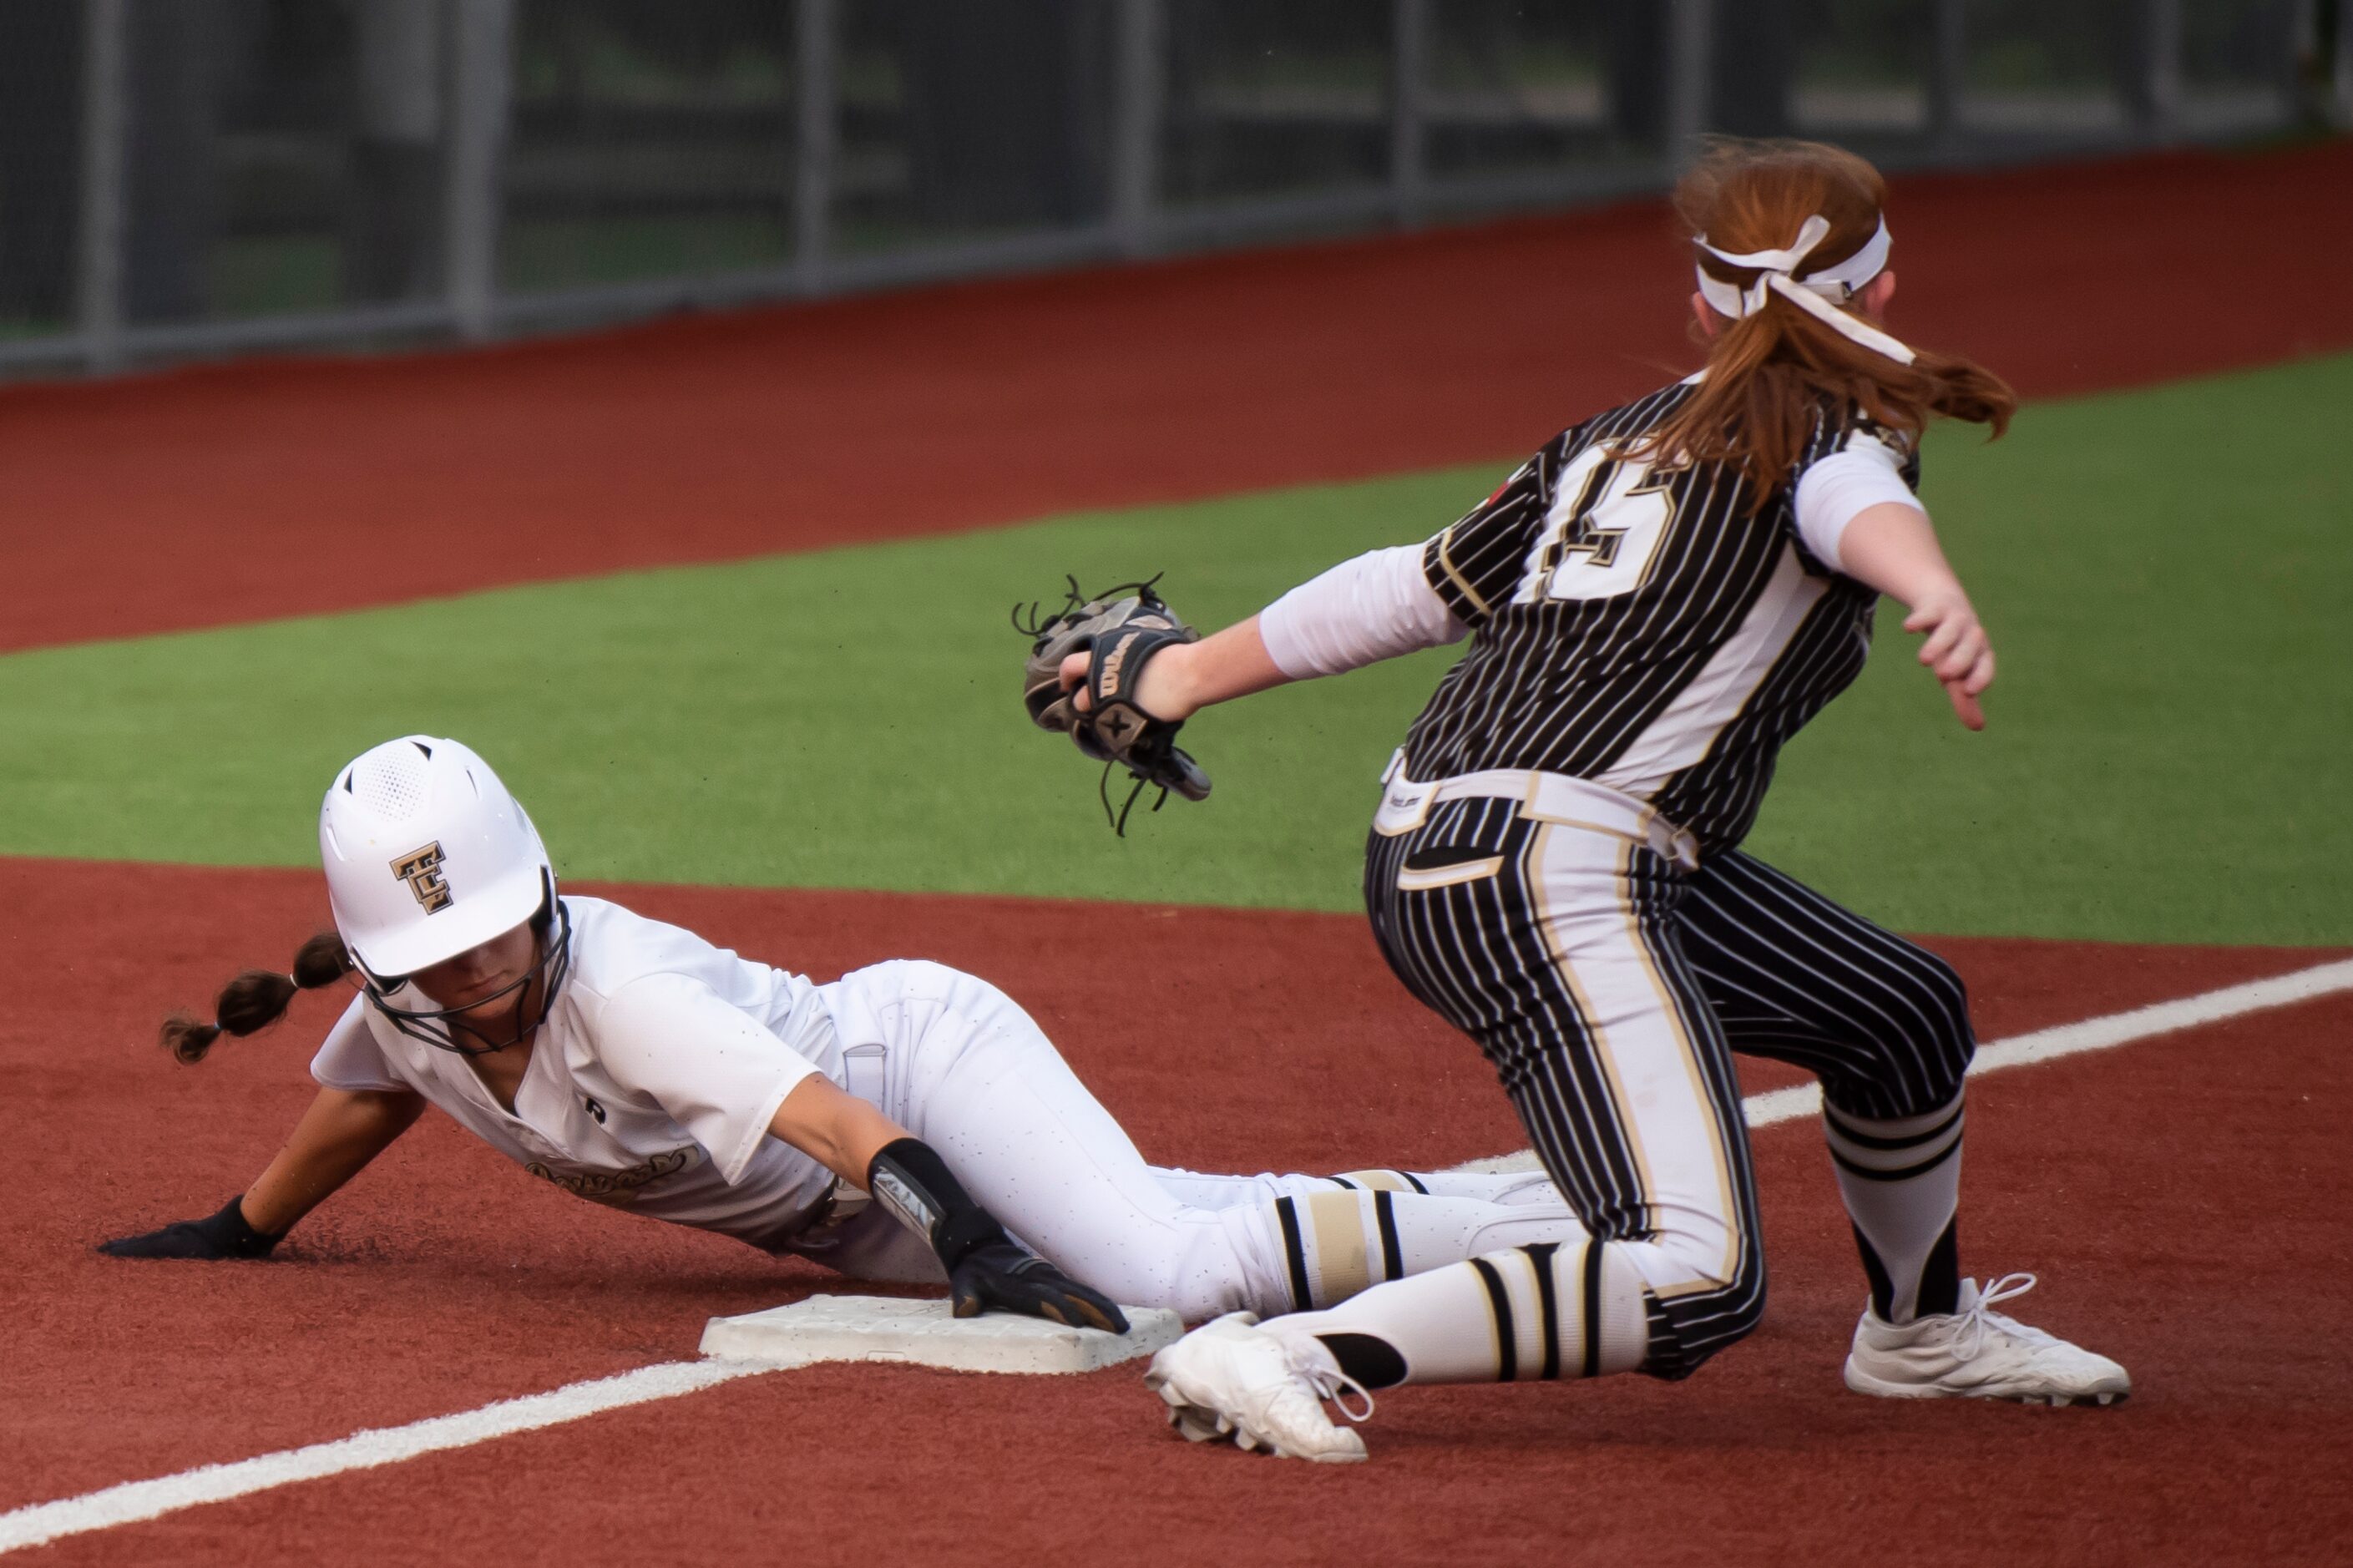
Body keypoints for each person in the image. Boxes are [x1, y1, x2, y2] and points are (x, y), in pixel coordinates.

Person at [1055, 138, 2128, 1461]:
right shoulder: (1842, 437)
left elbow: (1410, 584)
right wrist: (1929, 583)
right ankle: (1282, 1351)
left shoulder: (1610, 441)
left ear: (1697, 303)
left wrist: (1182, 674)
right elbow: (1849, 500)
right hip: (1547, 869)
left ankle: (1916, 1332)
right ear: (1883, 293)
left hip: (1478, 840)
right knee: (1693, 1276)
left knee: (1897, 1012)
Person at [102, 735, 1585, 1334]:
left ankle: (1583, 1251)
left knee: (1165, 1273)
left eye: (494, 929)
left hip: (911, 1074)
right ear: (382, 954)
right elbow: (375, 1091)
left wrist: (954, 1222)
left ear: (538, 886)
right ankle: (1536, 1205)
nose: (481, 972)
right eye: (439, 952)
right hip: (841, 1220)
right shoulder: (411, 1008)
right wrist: (240, 1227)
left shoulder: (621, 996)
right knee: (1187, 1233)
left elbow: (819, 1112)